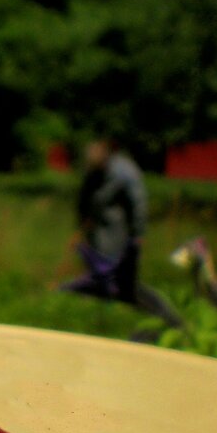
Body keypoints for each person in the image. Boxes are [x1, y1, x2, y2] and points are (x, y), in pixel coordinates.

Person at [59, 140, 183, 328]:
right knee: (105, 282)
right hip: (98, 237)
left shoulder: (125, 172)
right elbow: (86, 200)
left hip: (119, 237)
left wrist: (137, 235)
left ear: (107, 159)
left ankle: (168, 319)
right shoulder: (93, 172)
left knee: (125, 286)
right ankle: (101, 322)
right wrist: (82, 227)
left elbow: (138, 205)